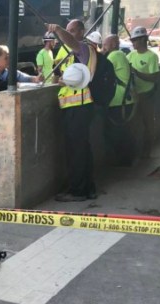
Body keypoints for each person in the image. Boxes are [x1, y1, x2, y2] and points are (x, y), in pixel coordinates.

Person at [47, 19, 97, 202]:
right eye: (68, 30)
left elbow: (72, 42)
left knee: (76, 150)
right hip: (74, 107)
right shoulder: (71, 52)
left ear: (82, 32)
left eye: (73, 30)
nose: (69, 33)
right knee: (81, 149)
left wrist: (59, 29)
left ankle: (78, 191)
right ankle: (86, 187)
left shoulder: (84, 49)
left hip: (79, 107)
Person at [0, 45, 40, 196]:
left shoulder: (10, 73)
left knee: (9, 156)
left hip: (8, 123)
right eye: (6, 57)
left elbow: (30, 79)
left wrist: (37, 78)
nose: (9, 60)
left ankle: (6, 189)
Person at [102, 34, 136, 166]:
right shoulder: (121, 55)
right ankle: (126, 160)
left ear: (114, 45)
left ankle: (124, 161)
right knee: (123, 132)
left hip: (118, 101)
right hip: (124, 100)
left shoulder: (114, 55)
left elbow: (102, 71)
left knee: (117, 133)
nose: (103, 47)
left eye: (105, 44)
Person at [127, 26, 160, 159]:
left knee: (148, 124)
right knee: (133, 125)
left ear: (142, 40)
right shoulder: (130, 55)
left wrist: (136, 72)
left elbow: (154, 77)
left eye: (135, 40)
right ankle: (133, 151)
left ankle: (147, 152)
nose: (133, 43)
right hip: (133, 94)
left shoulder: (152, 57)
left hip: (146, 94)